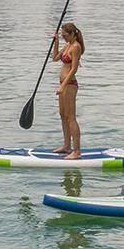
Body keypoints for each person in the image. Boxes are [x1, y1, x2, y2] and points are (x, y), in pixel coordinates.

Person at [50, 22, 85, 159]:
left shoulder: (76, 47)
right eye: (62, 36)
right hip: (63, 85)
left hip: (70, 85)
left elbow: (74, 69)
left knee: (71, 117)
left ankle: (76, 151)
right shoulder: (68, 45)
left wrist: (63, 86)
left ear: (72, 34)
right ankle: (66, 146)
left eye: (65, 36)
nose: (64, 37)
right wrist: (56, 42)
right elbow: (54, 58)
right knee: (62, 115)